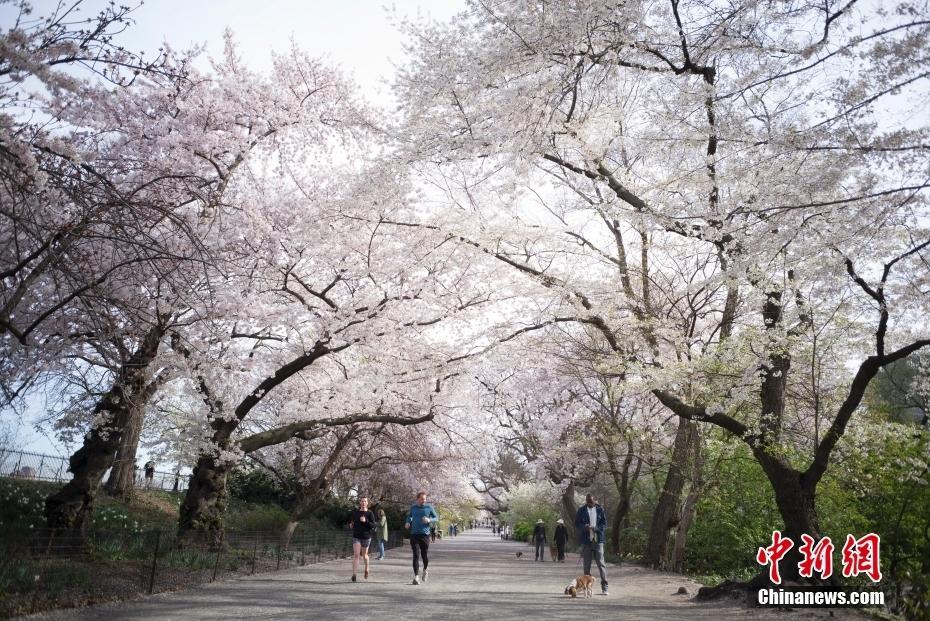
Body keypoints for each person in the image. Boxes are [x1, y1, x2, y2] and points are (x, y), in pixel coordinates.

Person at [574, 493, 608, 595]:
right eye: (587, 501)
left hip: (598, 541)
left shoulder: (600, 510)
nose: (589, 503)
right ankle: (587, 588)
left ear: (595, 500)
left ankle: (605, 587)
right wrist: (585, 527)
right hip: (586, 541)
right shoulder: (581, 510)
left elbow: (604, 524)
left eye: (591, 501)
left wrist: (597, 528)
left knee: (601, 564)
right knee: (586, 566)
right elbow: (577, 524)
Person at [404, 490, 439, 585]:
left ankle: (425, 569)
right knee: (416, 555)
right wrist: (408, 522)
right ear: (417, 499)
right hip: (414, 534)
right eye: (422, 499)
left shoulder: (429, 507)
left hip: (425, 535)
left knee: (424, 555)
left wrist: (429, 519)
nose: (424, 500)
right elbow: (409, 516)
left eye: (425, 499)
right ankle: (416, 577)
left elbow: (437, 518)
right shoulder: (413, 507)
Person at [348, 496, 377, 582]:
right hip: (356, 536)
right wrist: (351, 525)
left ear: (367, 503)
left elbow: (373, 526)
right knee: (356, 555)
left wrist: (366, 521)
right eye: (362, 501)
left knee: (364, 555)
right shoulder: (356, 513)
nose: (363, 503)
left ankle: (367, 568)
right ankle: (354, 574)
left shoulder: (370, 513)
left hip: (366, 537)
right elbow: (352, 522)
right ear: (360, 503)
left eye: (365, 501)